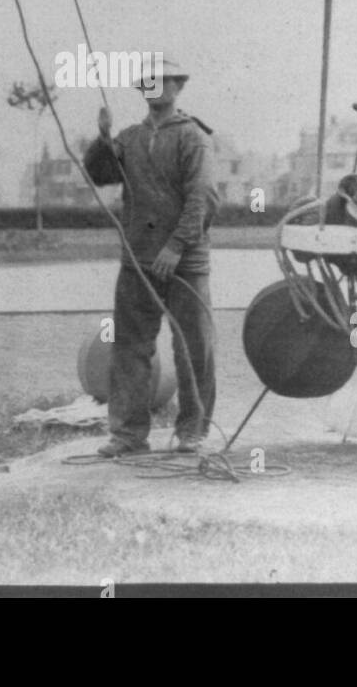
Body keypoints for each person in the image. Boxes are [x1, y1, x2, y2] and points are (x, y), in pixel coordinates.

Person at [83, 56, 219, 457]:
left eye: (162, 81)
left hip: (184, 262)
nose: (154, 86)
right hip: (137, 261)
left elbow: (203, 197)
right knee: (129, 346)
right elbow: (102, 174)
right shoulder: (129, 136)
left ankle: (193, 430)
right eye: (146, 81)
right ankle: (127, 435)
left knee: (193, 347)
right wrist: (103, 138)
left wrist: (176, 246)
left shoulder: (193, 136)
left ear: (178, 87)